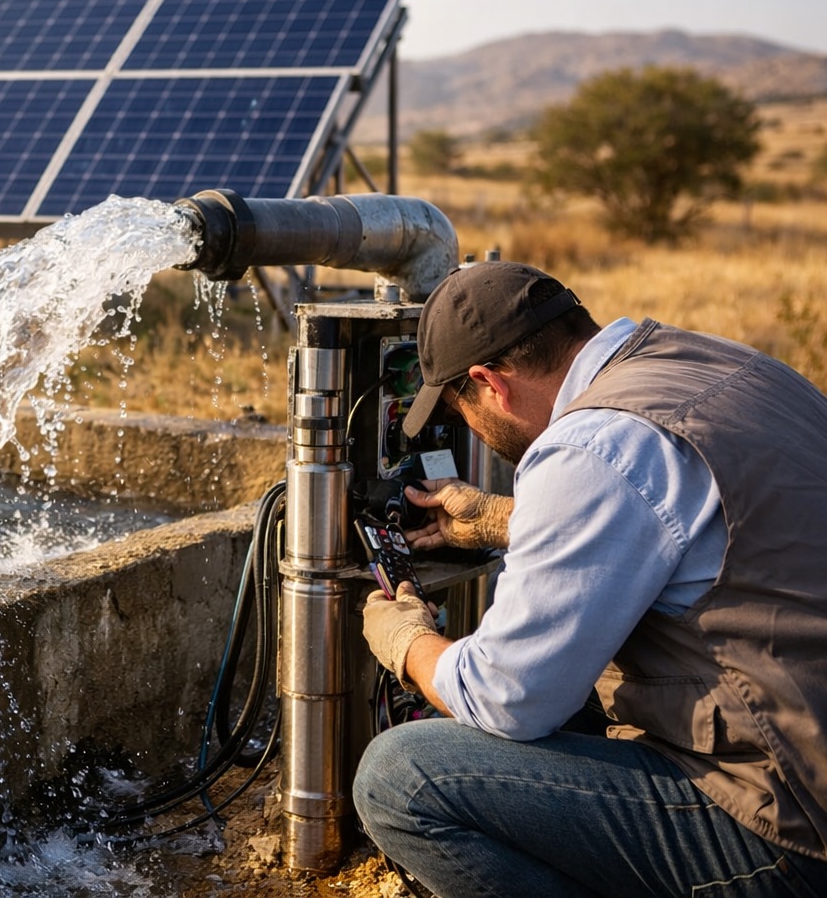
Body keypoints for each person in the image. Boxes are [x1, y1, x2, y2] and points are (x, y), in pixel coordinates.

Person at [354, 260, 827, 897]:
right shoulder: (719, 365)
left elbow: (509, 696)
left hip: (788, 827)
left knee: (401, 776)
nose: (474, 431)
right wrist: (499, 518)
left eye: (463, 412)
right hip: (808, 757)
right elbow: (677, 518)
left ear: (489, 384)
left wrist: (408, 643)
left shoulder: (590, 446)